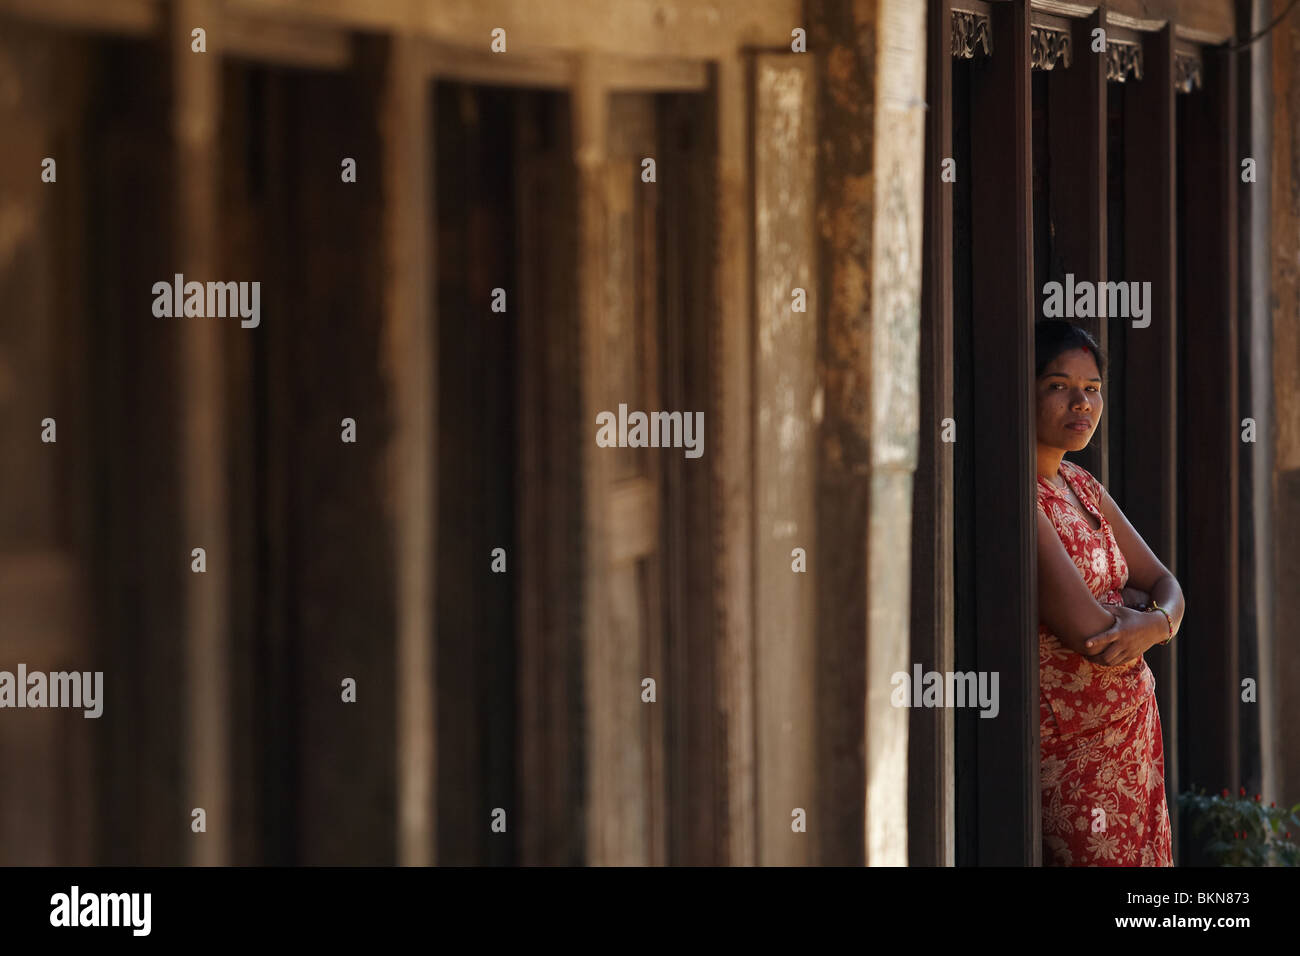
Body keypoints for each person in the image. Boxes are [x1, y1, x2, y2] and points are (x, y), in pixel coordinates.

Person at [1034, 320, 1185, 866]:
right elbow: (1091, 634)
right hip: (1076, 752)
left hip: (1135, 735)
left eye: (1092, 388)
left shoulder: (1080, 484)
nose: (1081, 402)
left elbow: (1168, 585)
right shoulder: (1022, 499)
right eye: (1058, 385)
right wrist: (1145, 616)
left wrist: (1154, 622)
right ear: (1024, 391)